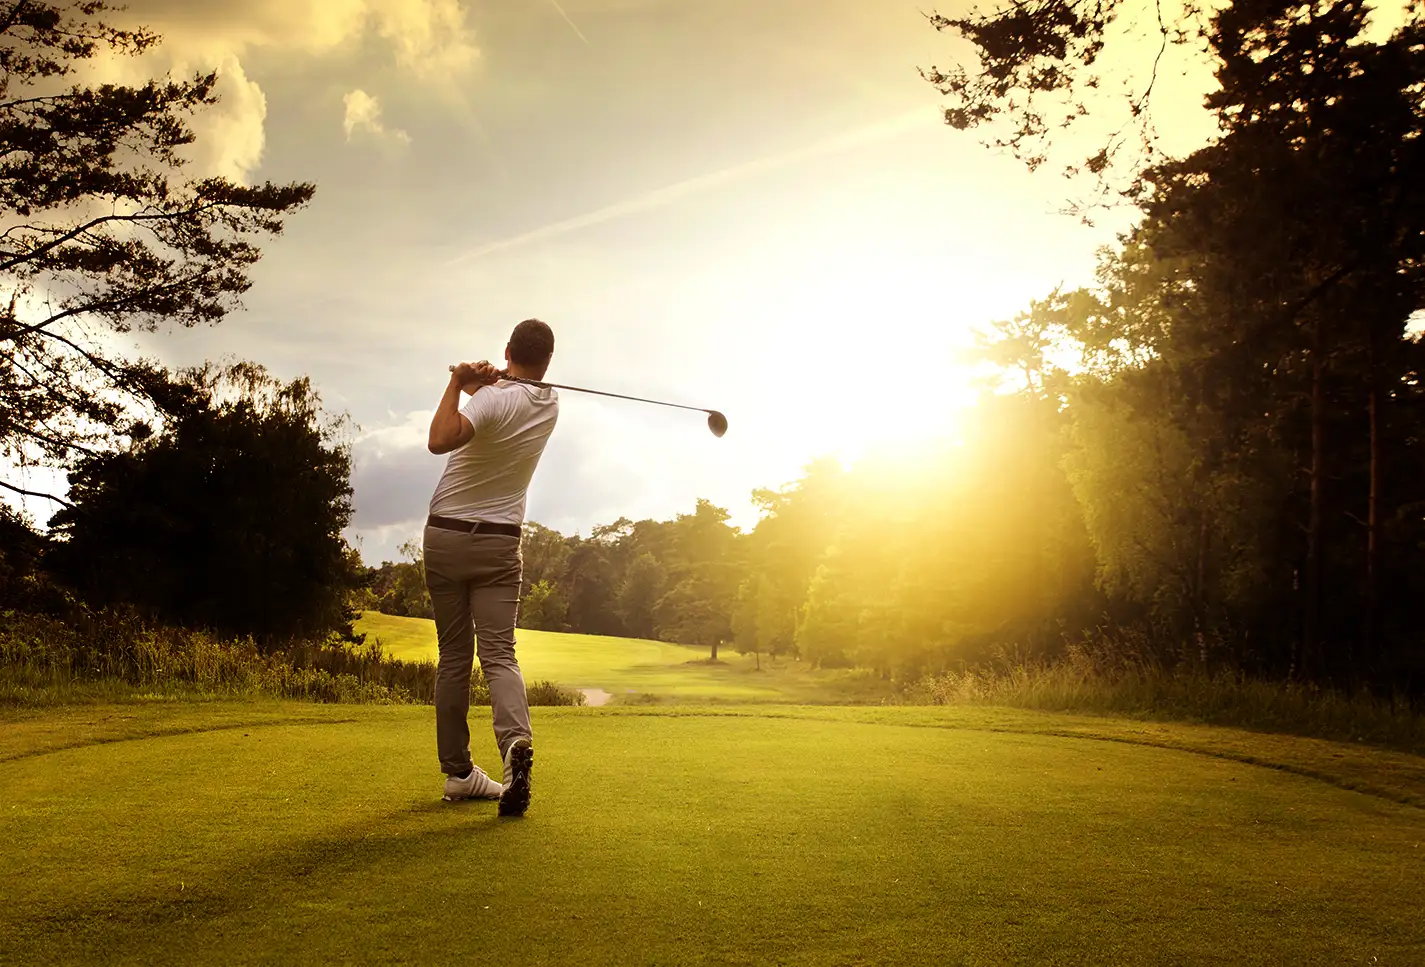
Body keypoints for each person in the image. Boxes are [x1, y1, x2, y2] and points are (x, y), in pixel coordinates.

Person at [423, 318, 559, 816]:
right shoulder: (549, 404)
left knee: (455, 657)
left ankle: (459, 774)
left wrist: (457, 382)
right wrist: (482, 381)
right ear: (548, 362)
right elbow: (505, 397)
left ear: (507, 350)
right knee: (500, 654)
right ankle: (514, 744)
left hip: (446, 536)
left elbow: (440, 440)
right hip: (500, 544)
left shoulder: (489, 399)